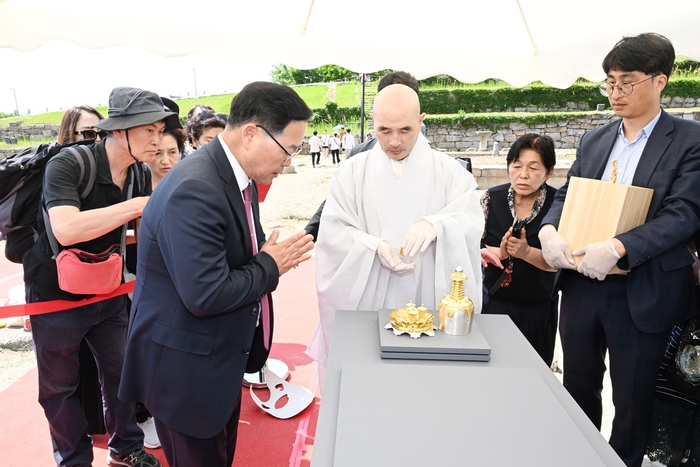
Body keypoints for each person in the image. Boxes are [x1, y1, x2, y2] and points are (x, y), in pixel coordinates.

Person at [119, 81, 315, 467]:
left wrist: (262, 257)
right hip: (186, 374)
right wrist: (270, 265)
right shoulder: (198, 187)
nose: (288, 161)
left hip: (214, 366)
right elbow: (206, 294)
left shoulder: (233, 176)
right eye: (288, 149)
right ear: (251, 134)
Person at [538, 33, 700, 467]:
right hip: (581, 285)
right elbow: (566, 193)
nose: (615, 93)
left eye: (627, 82)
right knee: (577, 389)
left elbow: (683, 214)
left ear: (660, 81)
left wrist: (619, 246)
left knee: (632, 401)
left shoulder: (689, 139)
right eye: (609, 83)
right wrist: (550, 230)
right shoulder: (595, 139)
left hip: (643, 290)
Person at [23, 87, 176, 467]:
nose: (158, 142)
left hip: (107, 290)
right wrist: (138, 205)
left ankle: (126, 446)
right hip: (54, 293)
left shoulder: (139, 172)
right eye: (149, 131)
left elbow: (135, 230)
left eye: (161, 132)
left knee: (122, 375)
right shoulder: (69, 163)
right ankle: (73, 460)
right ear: (119, 130)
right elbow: (67, 229)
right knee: (59, 387)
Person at [309, 84, 485, 377]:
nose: (394, 141)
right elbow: (334, 230)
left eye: (405, 130)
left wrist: (437, 225)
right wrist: (372, 246)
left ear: (421, 120)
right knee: (367, 378)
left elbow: (470, 220)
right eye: (383, 130)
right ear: (372, 121)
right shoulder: (351, 172)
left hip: (426, 294)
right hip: (368, 296)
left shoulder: (450, 172)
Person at [305, 71, 422, 241]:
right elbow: (337, 201)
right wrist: (308, 233)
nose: (395, 141)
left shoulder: (436, 166)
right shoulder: (359, 154)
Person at [480, 133, 558, 365]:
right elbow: (473, 250)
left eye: (534, 168)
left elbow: (565, 262)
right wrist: (502, 253)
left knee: (532, 376)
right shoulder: (490, 199)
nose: (523, 175)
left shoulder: (558, 204)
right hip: (494, 305)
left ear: (549, 172)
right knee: (490, 371)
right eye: (517, 166)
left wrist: (525, 252)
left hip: (538, 309)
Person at [56, 105, 109, 438]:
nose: (95, 140)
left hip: (103, 285)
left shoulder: (107, 170)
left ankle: (116, 438)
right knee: (65, 377)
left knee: (110, 368)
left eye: (100, 133)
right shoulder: (58, 171)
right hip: (60, 288)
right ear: (68, 136)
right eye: (87, 134)